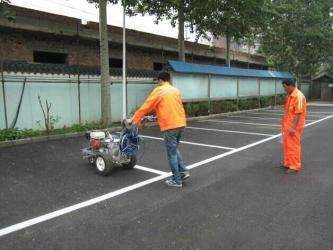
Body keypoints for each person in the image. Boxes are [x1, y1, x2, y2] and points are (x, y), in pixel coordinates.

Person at [130, 71, 189, 187]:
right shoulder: (175, 90)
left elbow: (146, 106)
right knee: (174, 149)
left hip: (170, 125)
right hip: (180, 123)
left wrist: (134, 120)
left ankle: (176, 181)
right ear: (169, 80)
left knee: (171, 153)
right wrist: (158, 115)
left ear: (160, 80)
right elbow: (173, 107)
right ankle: (183, 171)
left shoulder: (159, 90)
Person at [281, 79, 307, 174]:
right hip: (288, 125)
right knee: (287, 145)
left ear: (290, 85)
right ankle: (288, 163)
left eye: (285, 87)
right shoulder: (290, 96)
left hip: (294, 127)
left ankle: (294, 166)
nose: (284, 89)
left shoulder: (298, 96)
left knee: (293, 146)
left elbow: (298, 113)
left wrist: (293, 127)